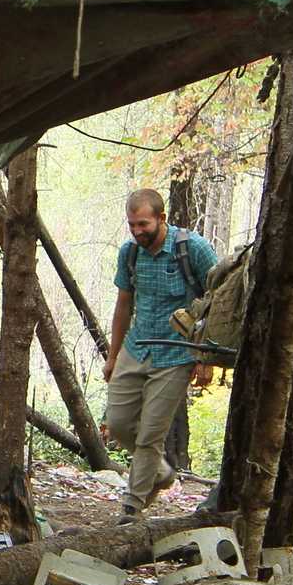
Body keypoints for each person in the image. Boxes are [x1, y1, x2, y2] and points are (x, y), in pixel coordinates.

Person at [103, 189, 217, 520]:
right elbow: (124, 305)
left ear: (161, 218)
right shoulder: (129, 253)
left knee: (151, 433)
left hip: (177, 353)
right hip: (137, 346)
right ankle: (161, 473)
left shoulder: (192, 249)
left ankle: (132, 508)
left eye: (143, 224)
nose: (138, 232)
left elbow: (217, 299)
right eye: (132, 225)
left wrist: (204, 356)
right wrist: (112, 356)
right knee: (119, 424)